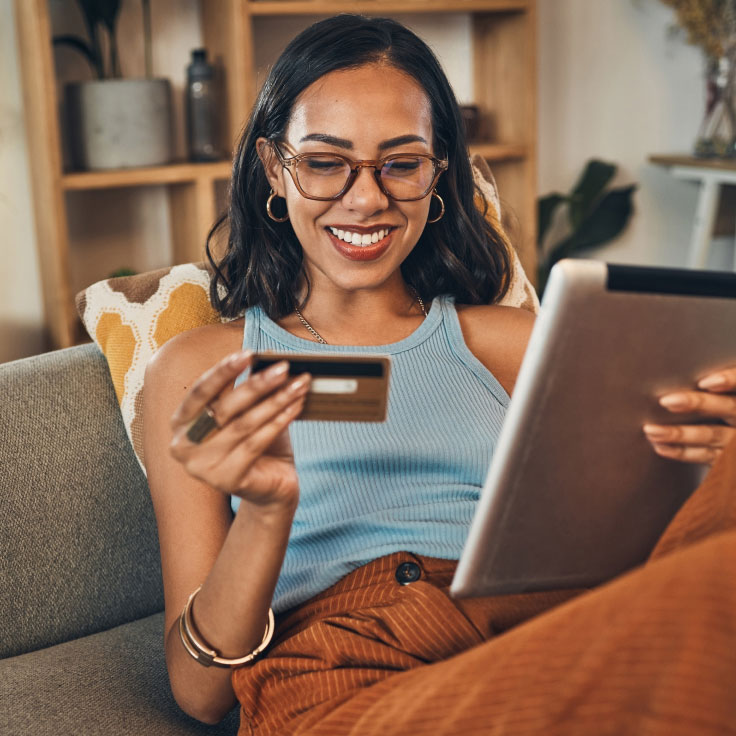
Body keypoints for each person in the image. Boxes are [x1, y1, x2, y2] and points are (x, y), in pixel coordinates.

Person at [142, 14, 736, 735]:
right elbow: (201, 694)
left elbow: (623, 538)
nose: (366, 200)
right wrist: (266, 514)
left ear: (439, 172)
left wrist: (701, 461)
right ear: (275, 168)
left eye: (402, 162)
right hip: (344, 670)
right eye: (326, 162)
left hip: (526, 633)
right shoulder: (203, 368)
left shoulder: (512, 343)